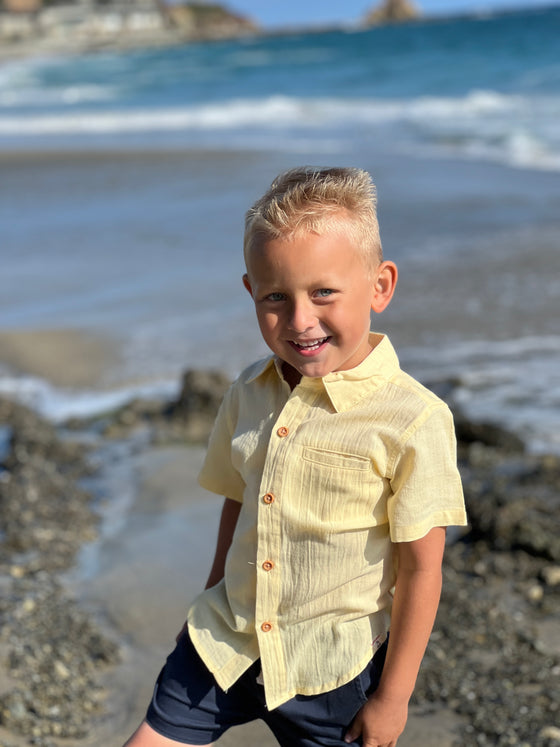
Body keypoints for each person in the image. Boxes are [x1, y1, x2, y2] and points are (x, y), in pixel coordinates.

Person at [124, 166, 467, 747]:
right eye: (276, 297)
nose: (301, 320)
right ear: (251, 292)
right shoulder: (249, 392)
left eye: (323, 293)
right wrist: (209, 594)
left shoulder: (413, 420)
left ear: (380, 286)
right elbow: (239, 499)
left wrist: (392, 697)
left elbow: (421, 569)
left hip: (331, 670)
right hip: (226, 643)